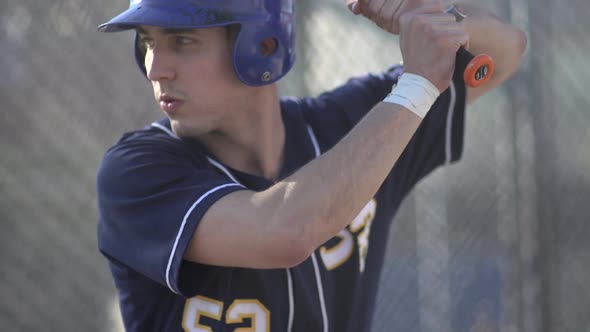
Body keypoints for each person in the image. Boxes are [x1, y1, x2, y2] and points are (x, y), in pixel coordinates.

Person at [96, 0, 526, 331]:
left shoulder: (350, 125)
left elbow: (506, 49)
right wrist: (417, 86)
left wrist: (430, 16)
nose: (156, 68)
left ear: (262, 43)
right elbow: (287, 230)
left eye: (181, 41)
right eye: (148, 42)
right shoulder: (137, 172)